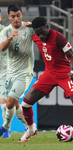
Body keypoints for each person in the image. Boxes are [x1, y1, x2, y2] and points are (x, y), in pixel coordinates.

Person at [0, 4, 33, 137]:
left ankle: (6, 128)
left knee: (7, 104)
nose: (15, 19)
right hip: (10, 73)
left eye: (17, 15)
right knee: (13, 103)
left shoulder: (4, 30)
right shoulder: (6, 31)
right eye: (13, 16)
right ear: (9, 16)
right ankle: (29, 126)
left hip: (6, 71)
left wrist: (34, 25)